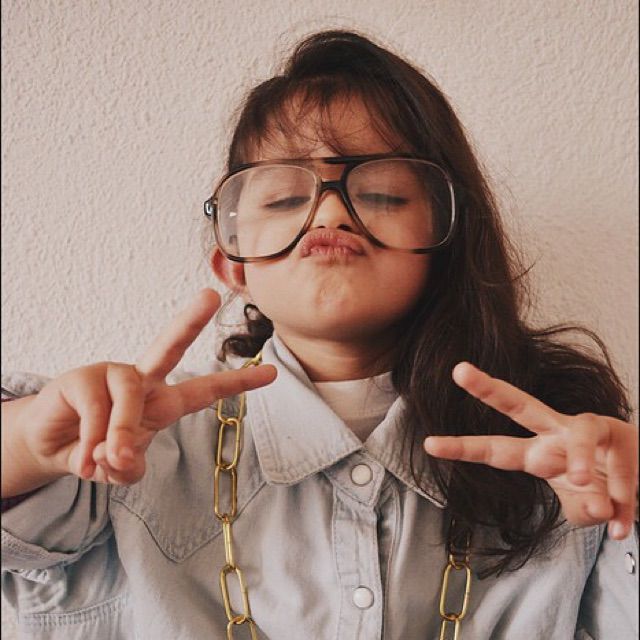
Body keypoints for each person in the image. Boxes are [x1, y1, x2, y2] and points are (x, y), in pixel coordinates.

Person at [1, 29, 637, 640]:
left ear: (445, 243)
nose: (330, 212)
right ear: (233, 264)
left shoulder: (563, 458)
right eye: (283, 199)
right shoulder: (122, 447)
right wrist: (28, 439)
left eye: (383, 195)